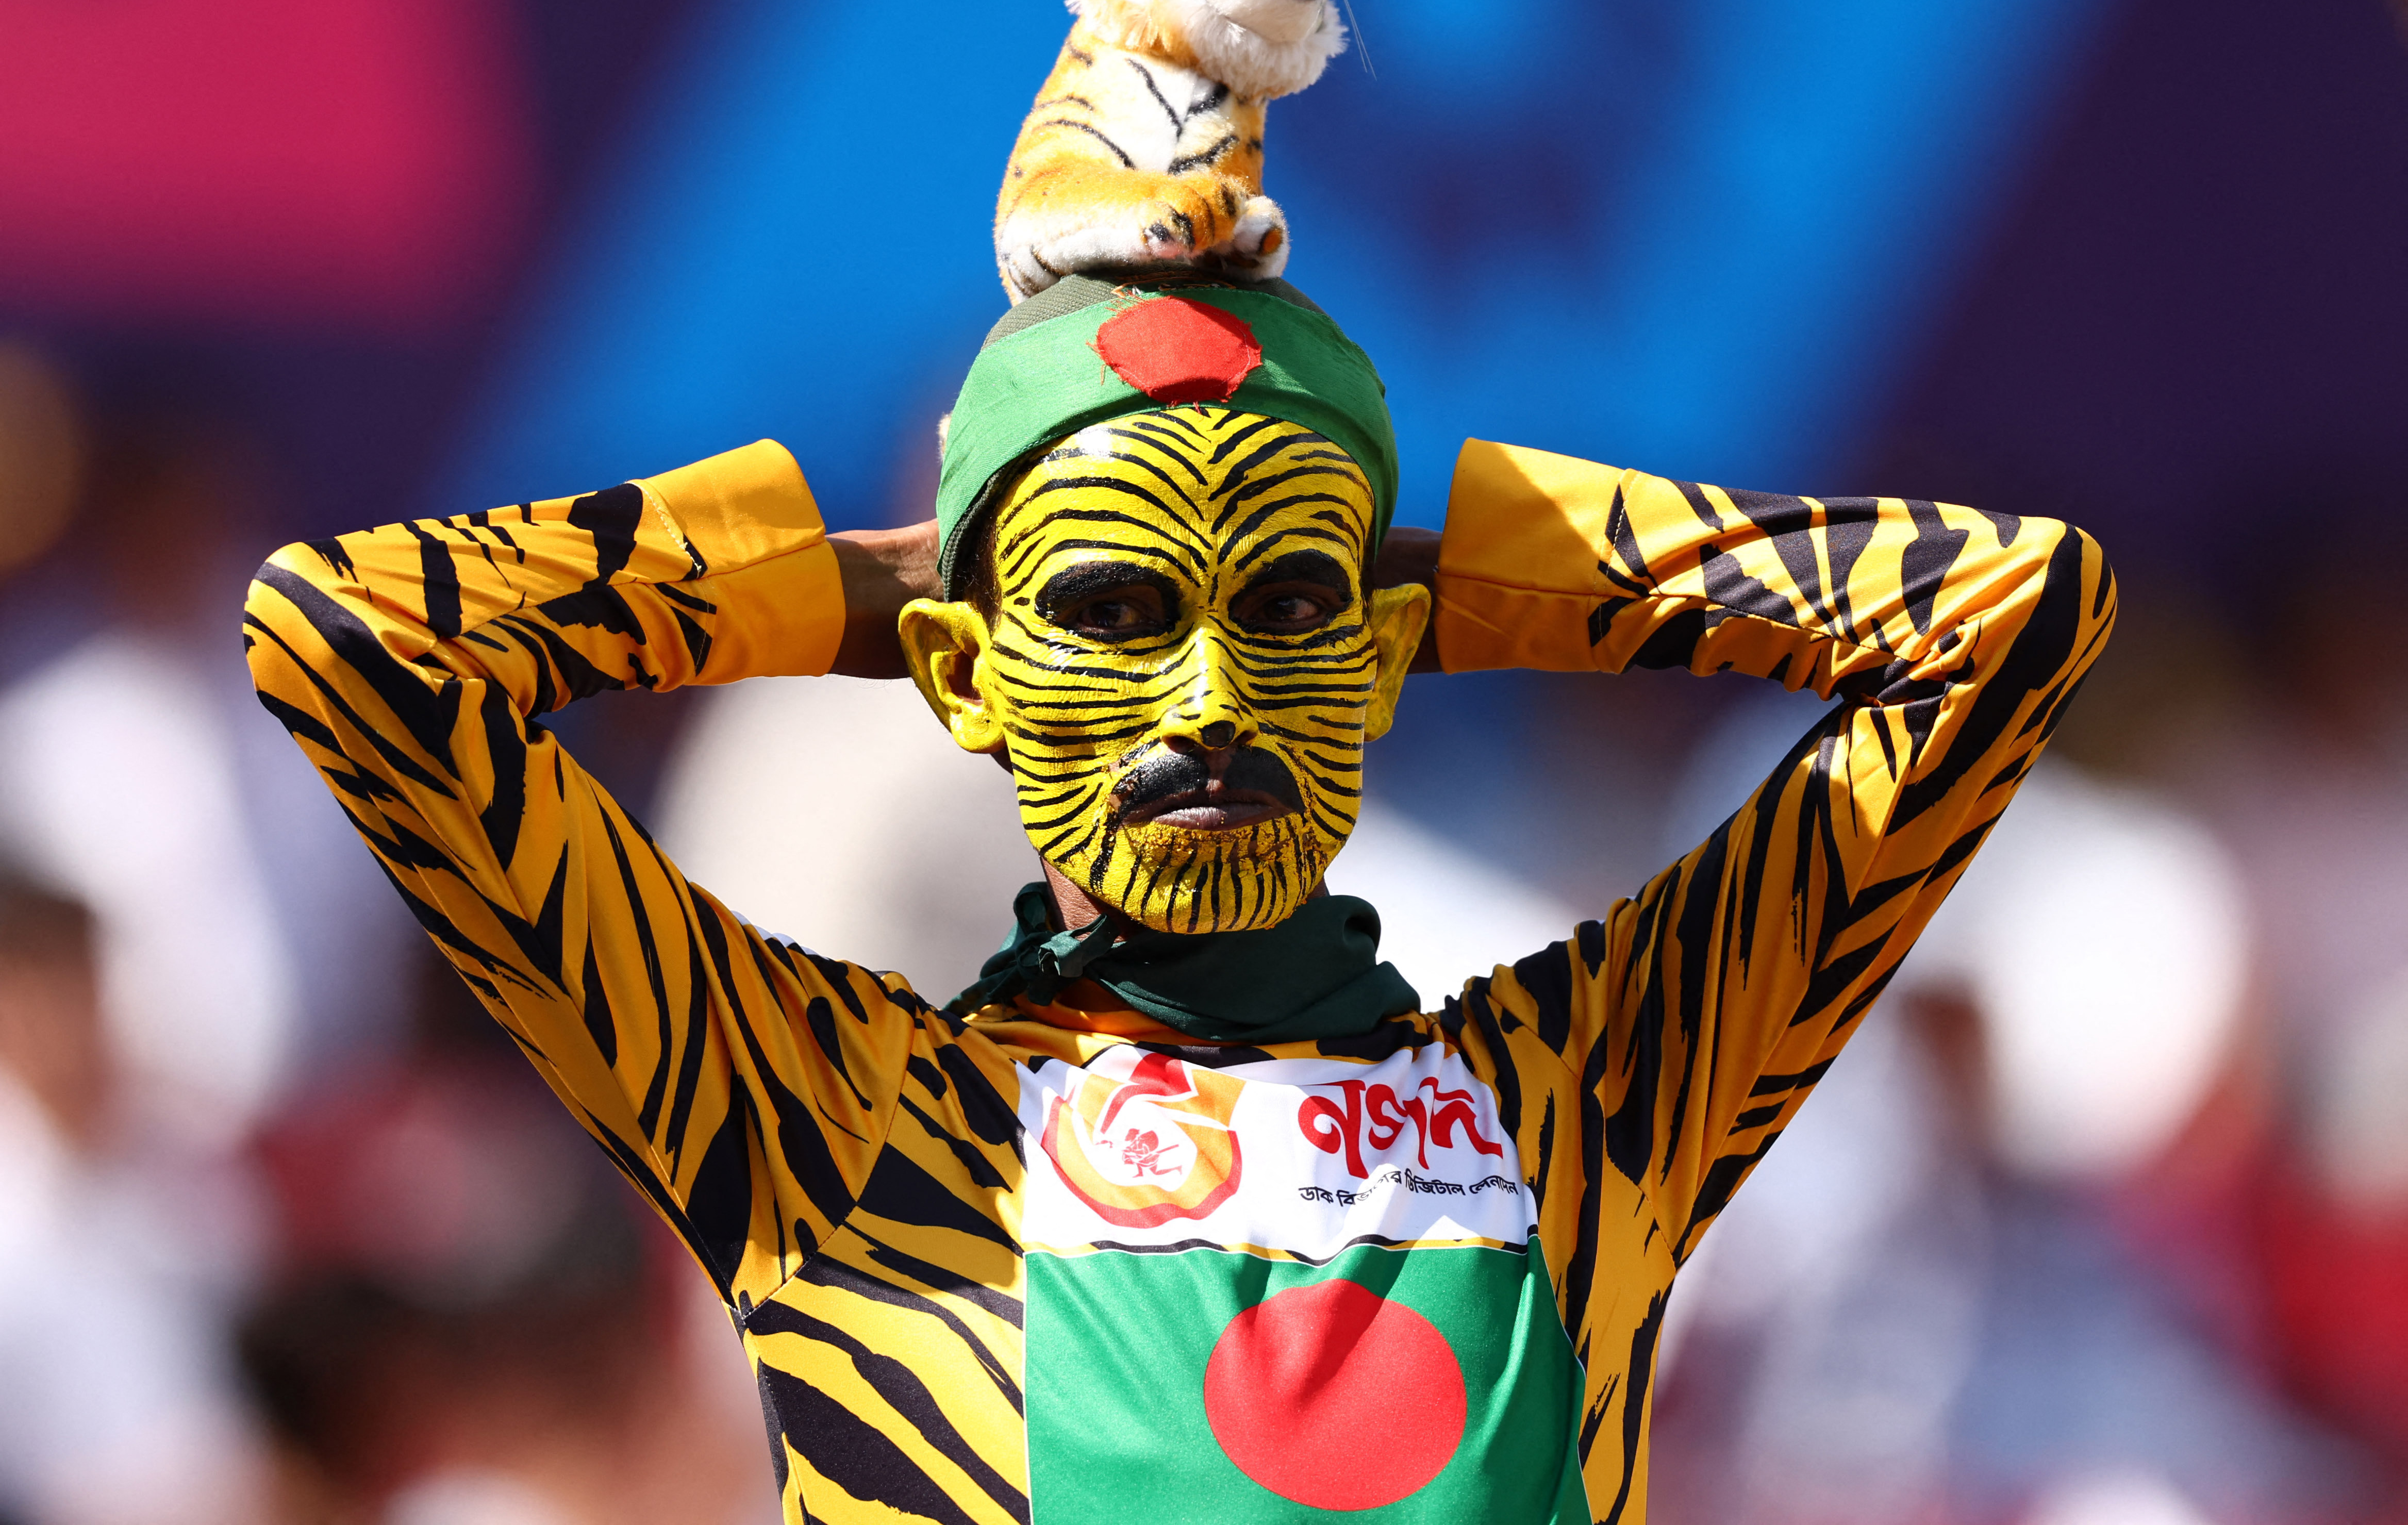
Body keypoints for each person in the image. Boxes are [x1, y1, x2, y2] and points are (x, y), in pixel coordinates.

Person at [243, 272, 2113, 1523]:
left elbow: (2012, 613)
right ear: (964, 678)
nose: (1211, 702)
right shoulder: (828, 1116)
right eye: (1116, 614)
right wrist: (867, 588)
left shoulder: (1586, 1097)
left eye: (1289, 614)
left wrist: (1450, 574)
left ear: (1382, 656)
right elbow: (343, 638)